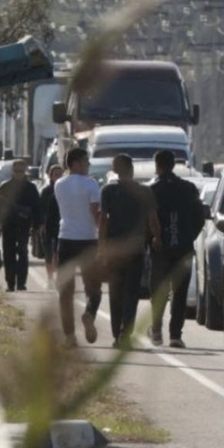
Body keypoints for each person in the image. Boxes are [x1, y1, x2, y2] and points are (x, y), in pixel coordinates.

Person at [99, 155, 161, 348]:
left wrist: (101, 247)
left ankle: (117, 333)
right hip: (135, 249)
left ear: (115, 170)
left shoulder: (108, 190)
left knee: (115, 292)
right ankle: (126, 332)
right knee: (131, 292)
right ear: (131, 169)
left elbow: (103, 221)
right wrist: (157, 237)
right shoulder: (144, 190)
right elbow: (152, 218)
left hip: (113, 249)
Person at [148, 150, 206, 348]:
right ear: (173, 165)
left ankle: (156, 331)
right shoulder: (189, 188)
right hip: (183, 248)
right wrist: (189, 236)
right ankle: (175, 335)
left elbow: (147, 219)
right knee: (180, 292)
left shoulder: (153, 189)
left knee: (159, 291)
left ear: (158, 166)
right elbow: (200, 217)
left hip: (160, 249)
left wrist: (152, 240)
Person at [55, 147, 103, 346]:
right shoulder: (91, 184)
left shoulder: (59, 184)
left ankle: (69, 336)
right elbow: (95, 214)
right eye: (85, 162)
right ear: (75, 163)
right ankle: (89, 314)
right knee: (93, 287)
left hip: (65, 238)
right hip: (87, 240)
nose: (88, 165)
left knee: (66, 290)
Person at [0, 159, 41, 292]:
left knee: (23, 253)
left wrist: (36, 226)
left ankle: (21, 283)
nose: (19, 173)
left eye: (21, 170)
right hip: (8, 225)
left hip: (24, 226)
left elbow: (37, 208)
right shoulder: (5, 187)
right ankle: (10, 283)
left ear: (25, 170)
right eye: (16, 170)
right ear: (13, 171)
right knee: (9, 254)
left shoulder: (31, 188)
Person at [39, 164, 64, 283]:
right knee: (49, 253)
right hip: (48, 225)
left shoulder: (66, 190)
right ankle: (50, 279)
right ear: (51, 176)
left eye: (60, 174)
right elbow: (41, 209)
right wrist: (42, 224)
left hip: (62, 225)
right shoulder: (46, 191)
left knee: (59, 253)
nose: (58, 176)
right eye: (56, 174)